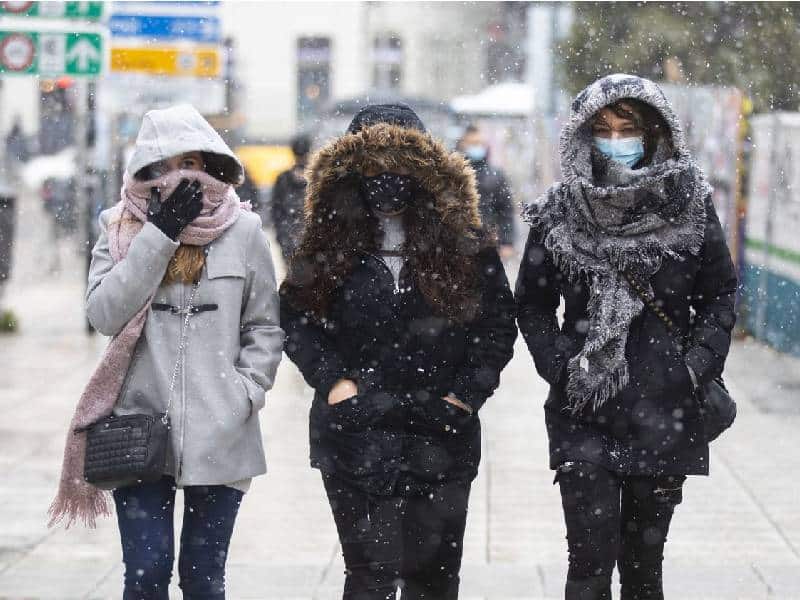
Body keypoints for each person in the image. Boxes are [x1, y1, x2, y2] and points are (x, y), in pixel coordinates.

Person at [280, 103, 517, 599]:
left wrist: (463, 395)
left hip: (441, 429)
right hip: (354, 431)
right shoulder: (326, 241)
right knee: (369, 576)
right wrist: (335, 383)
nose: (386, 180)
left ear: (424, 170)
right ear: (350, 172)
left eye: (399, 166)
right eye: (372, 167)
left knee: (433, 580)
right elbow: (297, 320)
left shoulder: (463, 243)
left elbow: (496, 326)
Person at [515, 74, 738, 600]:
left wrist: (694, 366)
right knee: (589, 565)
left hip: (665, 409)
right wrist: (562, 366)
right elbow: (532, 301)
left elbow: (719, 294)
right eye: (603, 128)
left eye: (628, 128)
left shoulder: (689, 203)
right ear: (583, 136)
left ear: (656, 133)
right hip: (583, 412)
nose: (615, 140)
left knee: (643, 571)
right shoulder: (561, 211)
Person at [49, 104, 284, 600]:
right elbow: (104, 314)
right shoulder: (118, 227)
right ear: (144, 171)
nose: (180, 177)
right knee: (146, 572)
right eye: (165, 166)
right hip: (139, 426)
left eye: (192, 164)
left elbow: (264, 324)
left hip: (223, 428)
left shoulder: (243, 230)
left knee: (203, 579)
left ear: (211, 165)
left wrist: (246, 392)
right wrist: (158, 236)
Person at [457, 124, 515, 260]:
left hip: (489, 245)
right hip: (458, 246)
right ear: (463, 144)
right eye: (473, 143)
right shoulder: (452, 172)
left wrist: (507, 242)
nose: (477, 147)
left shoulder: (496, 175)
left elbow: (506, 211)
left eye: (480, 143)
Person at [271, 133, 311, 262]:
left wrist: (281, 235)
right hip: (311, 240)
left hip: (289, 236)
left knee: (292, 277)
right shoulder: (317, 176)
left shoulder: (282, 178)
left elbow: (276, 210)